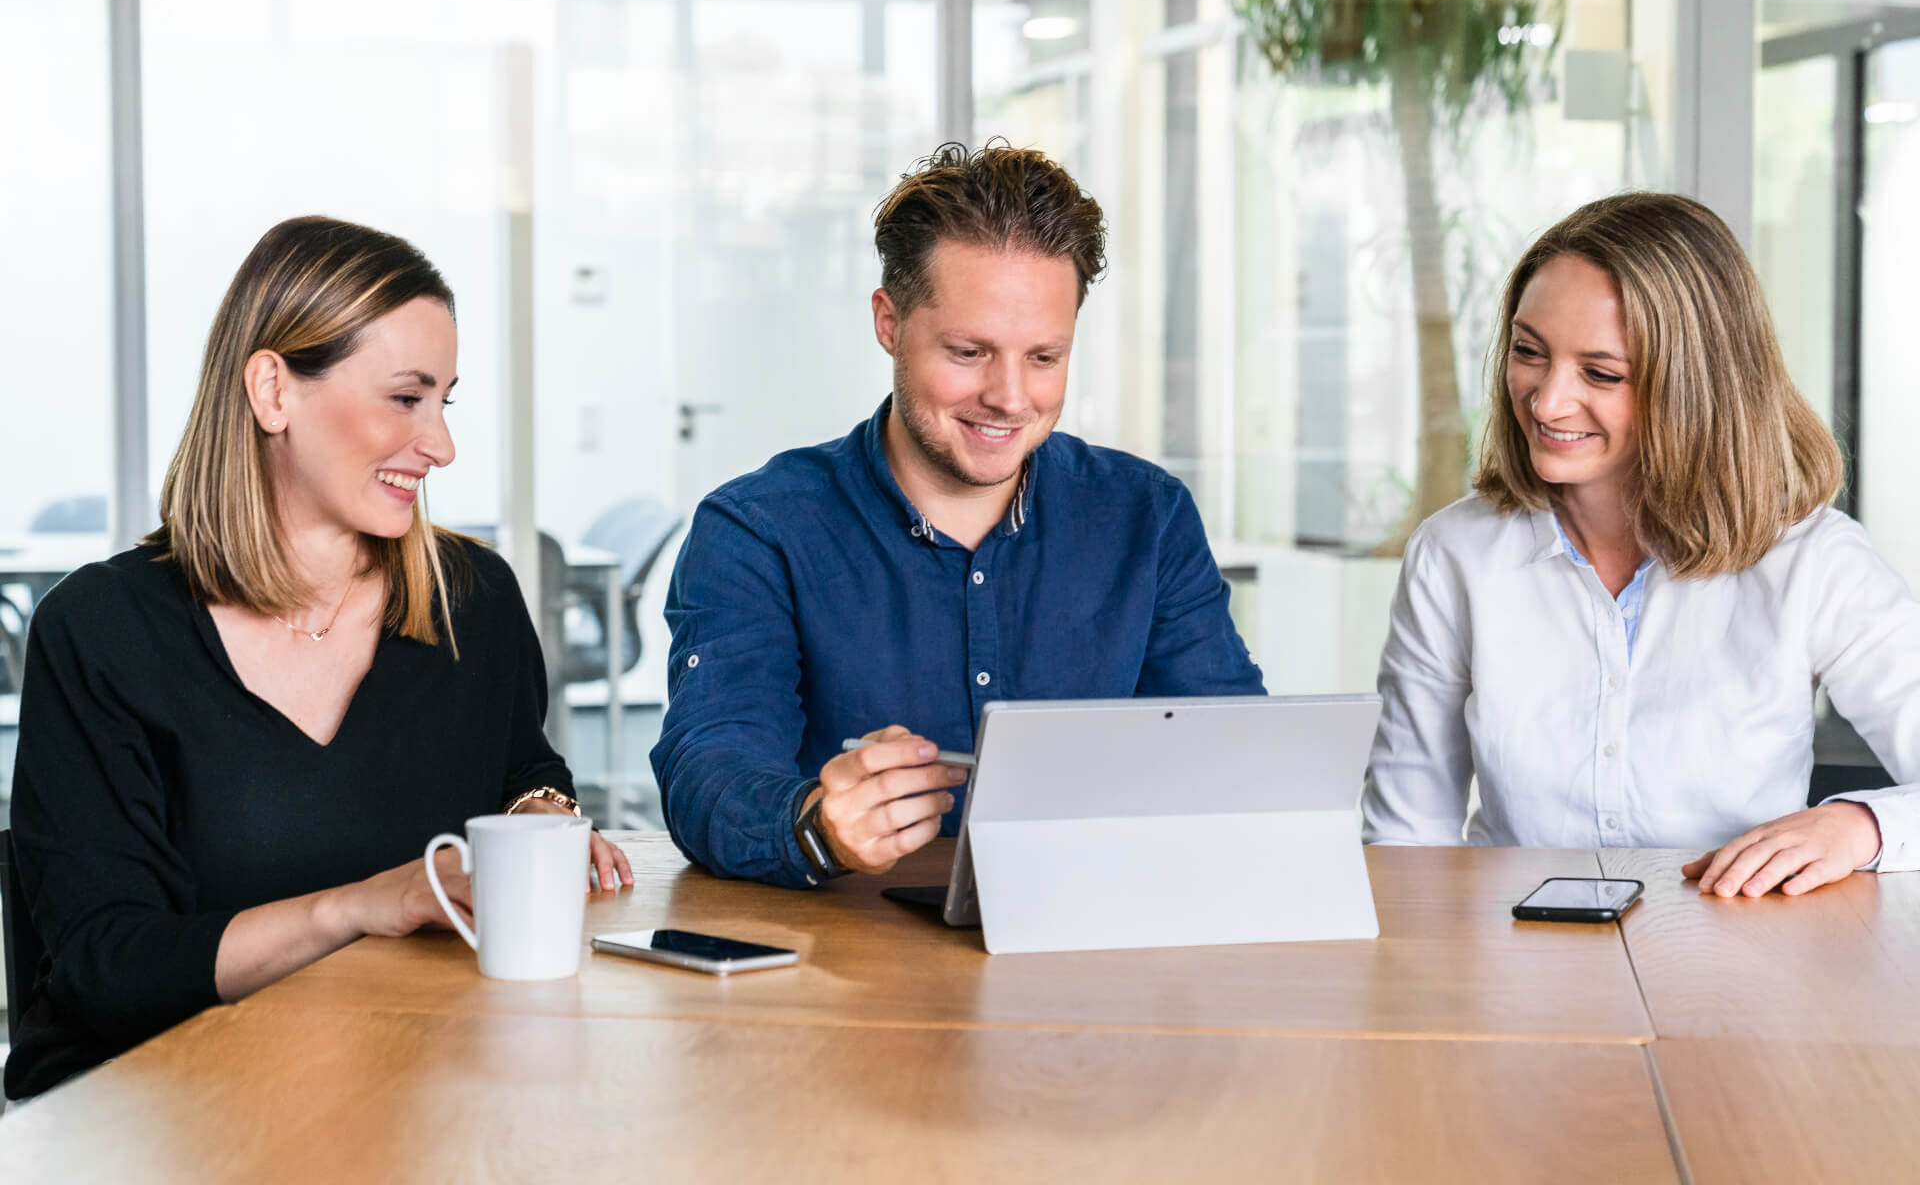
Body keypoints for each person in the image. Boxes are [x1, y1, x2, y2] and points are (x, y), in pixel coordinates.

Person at [5, 217, 632, 1100]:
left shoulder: (473, 599)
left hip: (400, 1082)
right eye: (405, 399)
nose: (441, 445)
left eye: (445, 403)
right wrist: (362, 906)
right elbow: (104, 965)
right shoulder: (100, 630)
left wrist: (544, 818)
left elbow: (521, 767)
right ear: (273, 391)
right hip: (154, 1105)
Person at [651, 142, 1264, 888]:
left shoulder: (1147, 517)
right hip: (850, 945)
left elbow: (1234, 754)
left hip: (1093, 929)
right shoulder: (758, 531)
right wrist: (815, 825)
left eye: (1044, 357)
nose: (1010, 397)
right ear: (889, 322)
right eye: (970, 352)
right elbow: (709, 767)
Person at [1361, 192, 1920, 896]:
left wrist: (1858, 827)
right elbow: (1405, 840)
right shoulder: (1454, 554)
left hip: (1738, 947)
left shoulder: (1814, 560)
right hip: (1513, 948)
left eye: (1601, 373)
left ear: (1697, 385)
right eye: (1529, 352)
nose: (1546, 401)